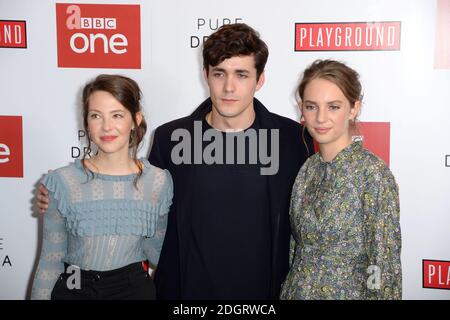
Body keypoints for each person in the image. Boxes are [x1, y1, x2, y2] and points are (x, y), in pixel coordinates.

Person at [37, 24, 312, 300]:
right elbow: (138, 195)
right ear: (205, 75)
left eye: (241, 75)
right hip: (187, 294)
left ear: (260, 79)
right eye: (219, 74)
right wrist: (61, 192)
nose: (229, 87)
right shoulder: (172, 139)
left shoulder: (292, 141)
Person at [31, 74, 173, 300]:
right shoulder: (62, 182)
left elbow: (157, 253)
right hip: (74, 286)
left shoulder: (158, 181)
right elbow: (50, 261)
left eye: (117, 115)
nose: (107, 126)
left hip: (133, 289)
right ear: (86, 122)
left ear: (135, 119)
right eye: (96, 116)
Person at [280, 59, 402, 300]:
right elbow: (295, 250)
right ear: (301, 108)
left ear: (354, 108)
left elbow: (383, 266)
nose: (321, 118)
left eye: (333, 107)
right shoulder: (307, 169)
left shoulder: (372, 173)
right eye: (312, 106)